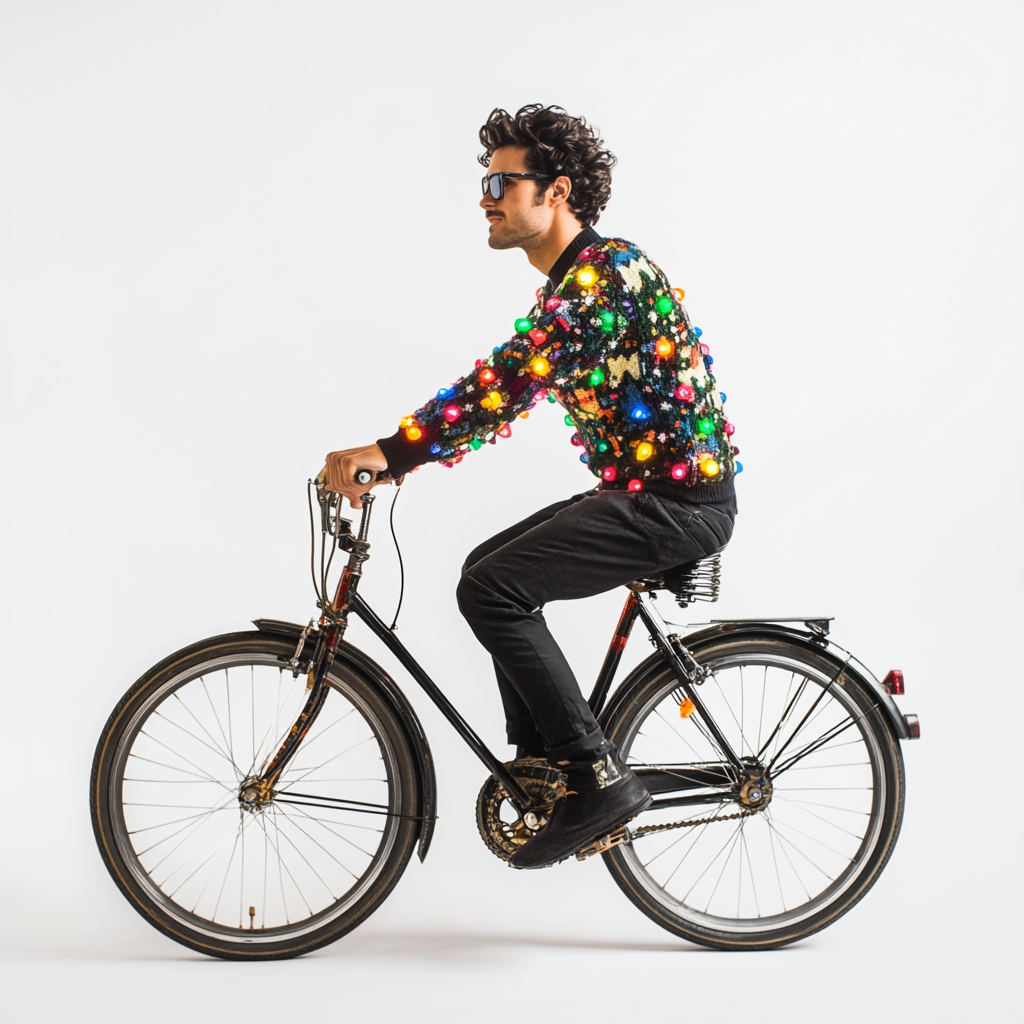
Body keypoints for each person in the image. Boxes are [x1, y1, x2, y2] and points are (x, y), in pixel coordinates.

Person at [324, 104, 740, 869]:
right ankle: (550, 763)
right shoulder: (577, 282)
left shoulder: (602, 277)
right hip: (644, 495)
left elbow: (505, 385)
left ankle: (593, 777)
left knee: (492, 590)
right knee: (488, 566)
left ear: (555, 191)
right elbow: (510, 381)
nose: (485, 196)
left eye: (500, 181)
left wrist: (390, 450)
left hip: (674, 508)